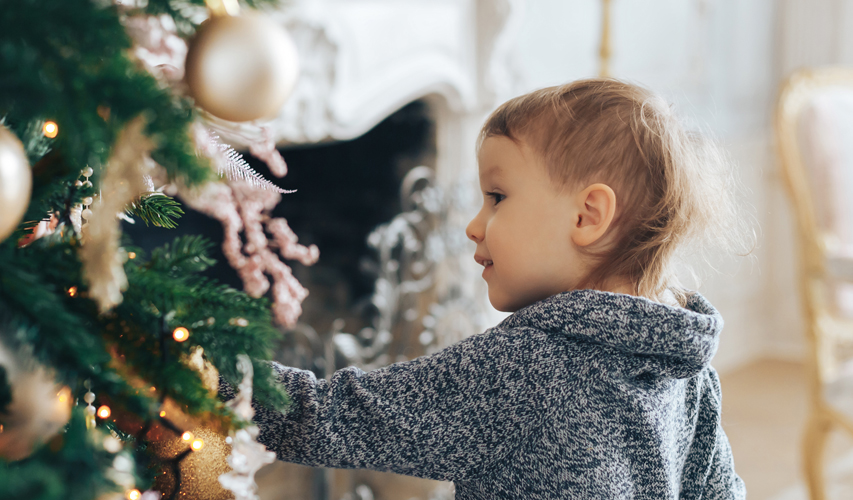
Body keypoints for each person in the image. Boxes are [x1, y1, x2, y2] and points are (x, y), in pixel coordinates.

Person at [226, 79, 748, 499]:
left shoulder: (524, 364)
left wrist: (203, 369)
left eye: (497, 197)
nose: (474, 225)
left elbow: (335, 416)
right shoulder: (685, 363)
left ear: (588, 216)